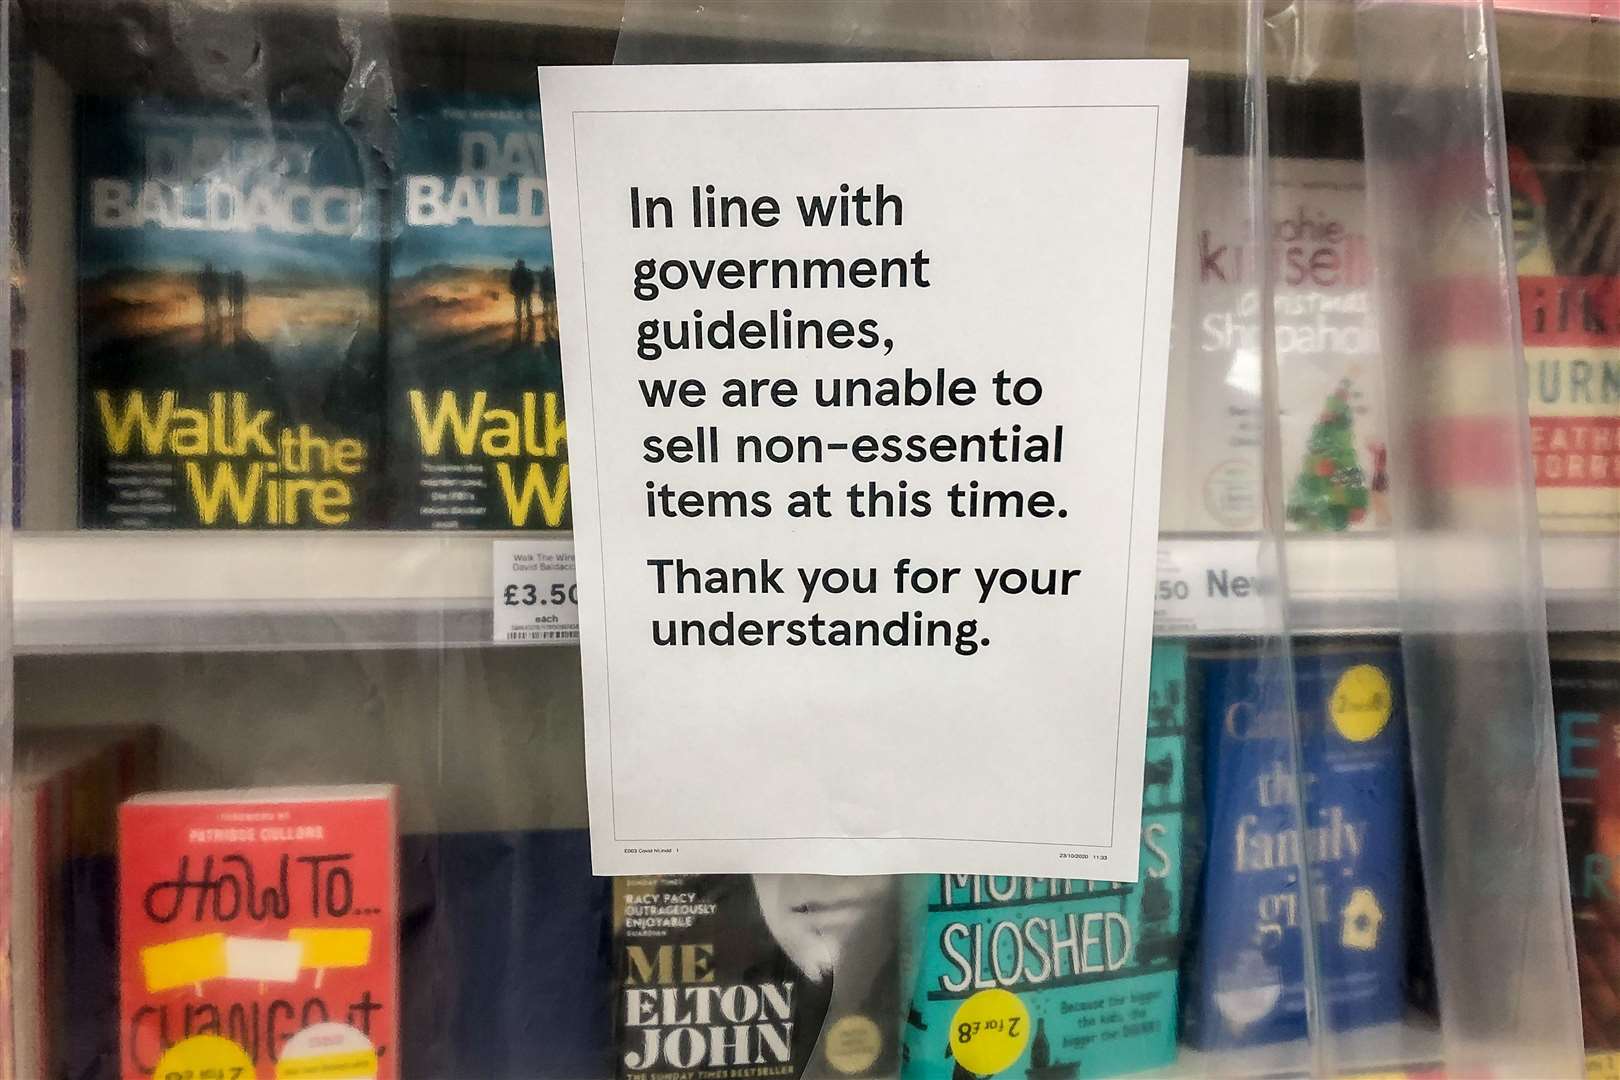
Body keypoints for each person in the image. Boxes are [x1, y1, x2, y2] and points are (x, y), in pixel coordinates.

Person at [509, 258, 536, 341]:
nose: (519, 265)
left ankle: (524, 321)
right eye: (519, 264)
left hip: (522, 292)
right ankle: (526, 320)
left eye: (519, 264)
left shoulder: (519, 271)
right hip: (522, 292)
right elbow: (512, 282)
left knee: (523, 308)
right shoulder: (526, 271)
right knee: (522, 308)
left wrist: (513, 290)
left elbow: (531, 282)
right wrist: (513, 290)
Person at [198, 262, 222, 343]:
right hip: (211, 294)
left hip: (211, 294)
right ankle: (212, 325)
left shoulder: (205, 275)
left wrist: (201, 291)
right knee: (211, 309)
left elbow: (202, 284)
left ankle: (212, 326)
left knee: (211, 309)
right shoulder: (208, 275)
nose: (208, 269)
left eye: (208, 267)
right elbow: (202, 284)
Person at [227, 270, 247, 343]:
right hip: (238, 298)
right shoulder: (238, 282)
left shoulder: (235, 282)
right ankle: (237, 327)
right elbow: (242, 290)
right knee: (237, 313)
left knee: (237, 312)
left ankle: (237, 327)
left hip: (237, 298)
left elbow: (242, 290)